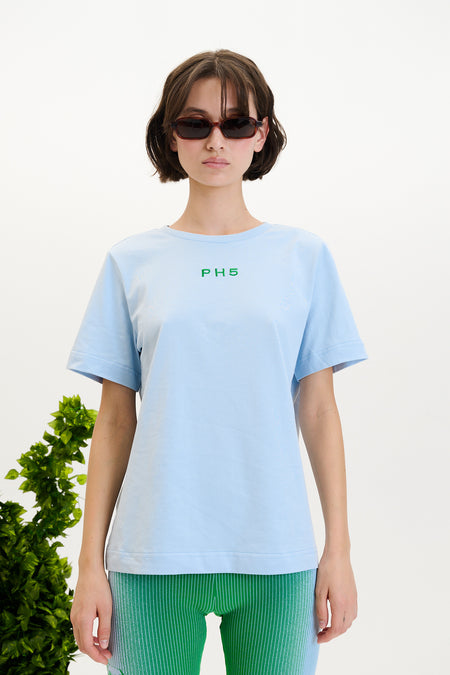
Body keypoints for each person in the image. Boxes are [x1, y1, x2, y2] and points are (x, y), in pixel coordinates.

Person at [67, 49, 368, 675]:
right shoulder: (131, 262)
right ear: (170, 134)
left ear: (261, 134)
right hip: (151, 554)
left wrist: (337, 551)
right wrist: (89, 564)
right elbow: (115, 420)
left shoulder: (303, 257)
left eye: (236, 124)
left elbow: (319, 410)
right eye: (195, 123)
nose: (215, 141)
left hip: (277, 553)